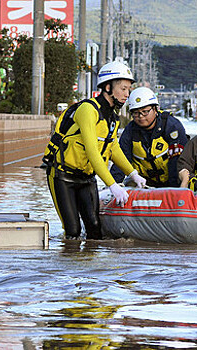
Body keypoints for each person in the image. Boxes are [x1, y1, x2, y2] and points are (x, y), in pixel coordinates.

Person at [43, 61, 146, 240]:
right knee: (73, 232)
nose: (126, 94)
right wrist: (113, 185)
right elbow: (93, 153)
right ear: (107, 87)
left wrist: (133, 173)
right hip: (62, 176)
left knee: (95, 230)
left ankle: (91, 266)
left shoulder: (112, 118)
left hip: (87, 178)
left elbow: (112, 147)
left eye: (128, 90)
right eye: (123, 89)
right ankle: (69, 264)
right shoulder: (87, 110)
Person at [110, 86, 188, 187]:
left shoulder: (171, 126)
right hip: (145, 182)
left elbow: (178, 160)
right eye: (136, 113)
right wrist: (114, 185)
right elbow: (122, 158)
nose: (141, 116)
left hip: (173, 180)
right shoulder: (130, 131)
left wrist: (173, 190)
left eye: (145, 111)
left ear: (155, 109)